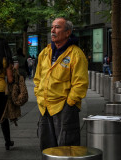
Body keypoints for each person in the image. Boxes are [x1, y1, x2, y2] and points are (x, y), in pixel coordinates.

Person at [34, 17, 89, 151]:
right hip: (44, 106)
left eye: (57, 27)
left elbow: (80, 83)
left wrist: (69, 104)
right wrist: (39, 95)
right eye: (52, 27)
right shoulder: (45, 52)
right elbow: (37, 78)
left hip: (64, 107)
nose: (53, 30)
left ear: (67, 32)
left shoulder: (76, 54)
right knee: (46, 146)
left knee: (66, 147)